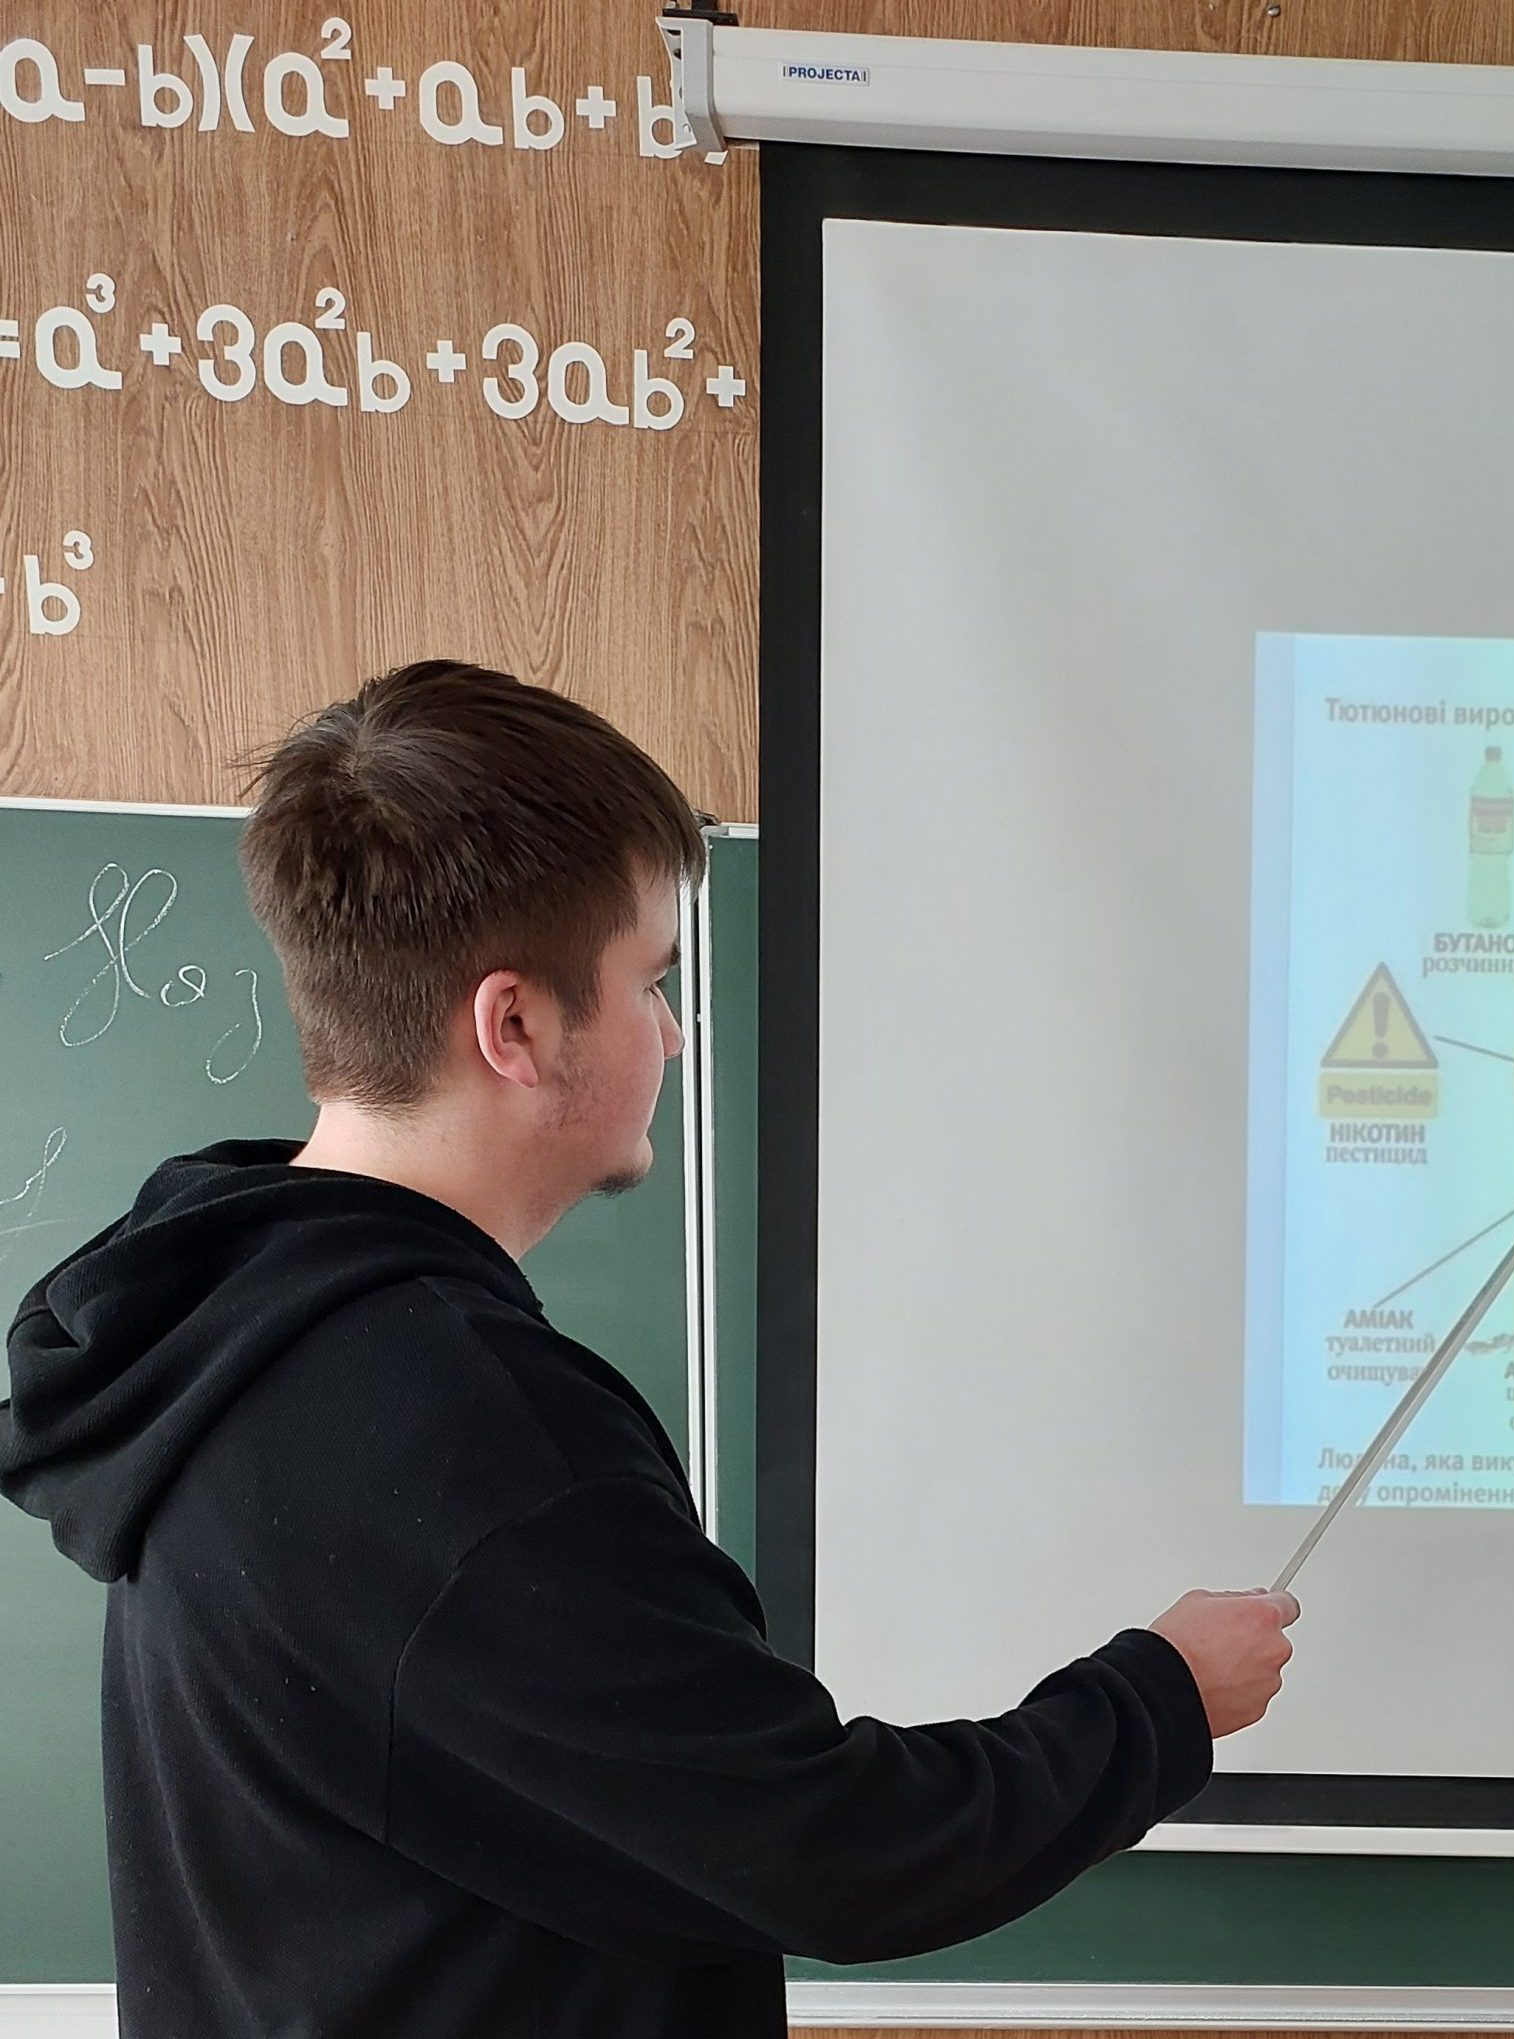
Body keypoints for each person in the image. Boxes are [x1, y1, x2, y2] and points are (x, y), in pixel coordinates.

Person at [0, 661, 1298, 2037]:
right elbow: (831, 1851)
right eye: (651, 982)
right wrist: (1160, 1700)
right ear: (514, 1025)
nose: (673, 1037)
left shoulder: (221, 1331)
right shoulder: (463, 1426)